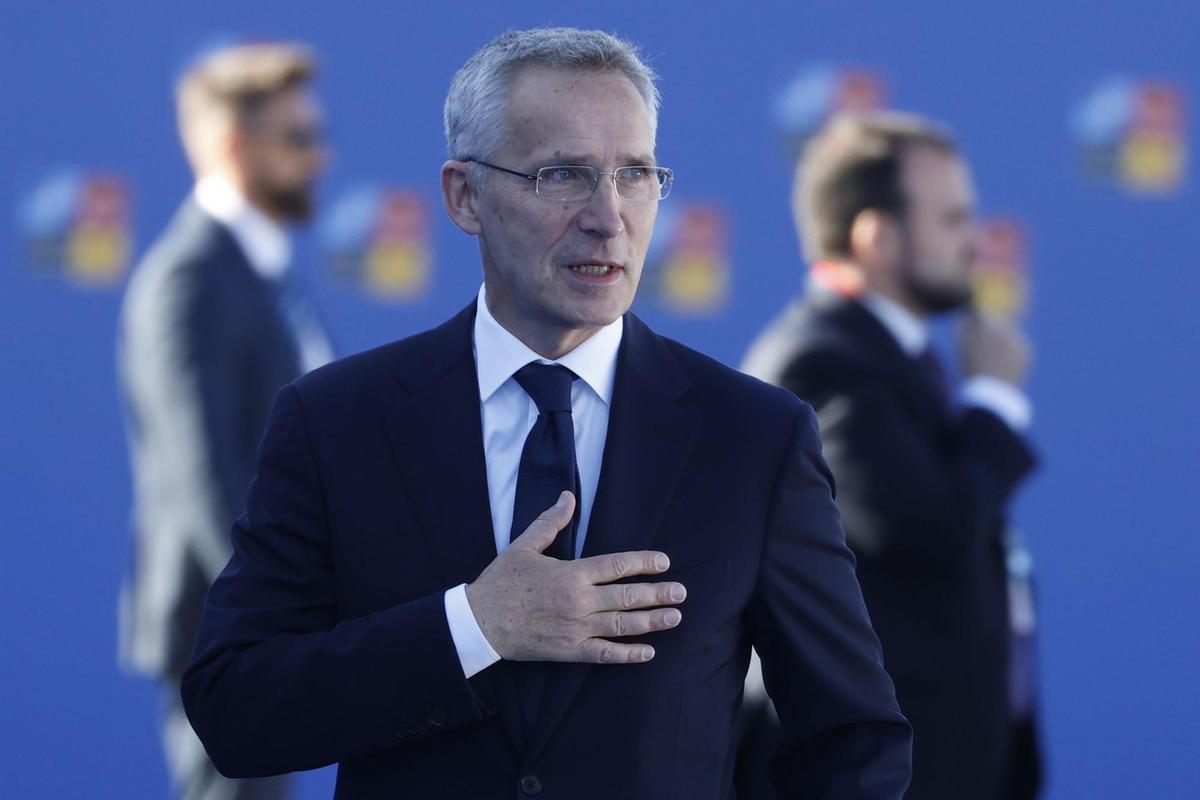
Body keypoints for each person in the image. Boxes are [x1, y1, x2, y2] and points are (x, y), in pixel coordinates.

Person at [181, 28, 911, 798]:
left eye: (635, 175)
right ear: (464, 196)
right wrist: (471, 626)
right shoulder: (336, 422)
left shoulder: (754, 439)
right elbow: (236, 709)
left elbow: (852, 740)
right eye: (563, 175)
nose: (609, 216)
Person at [742, 112, 1043, 800]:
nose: (977, 242)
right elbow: (928, 529)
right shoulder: (821, 361)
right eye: (953, 219)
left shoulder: (890, 355)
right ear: (877, 237)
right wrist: (995, 401)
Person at [118, 41, 333, 800]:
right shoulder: (189, 280)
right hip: (229, 628)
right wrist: (268, 616)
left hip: (264, 625)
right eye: (298, 138)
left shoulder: (263, 271)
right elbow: (201, 474)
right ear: (236, 146)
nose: (319, 158)